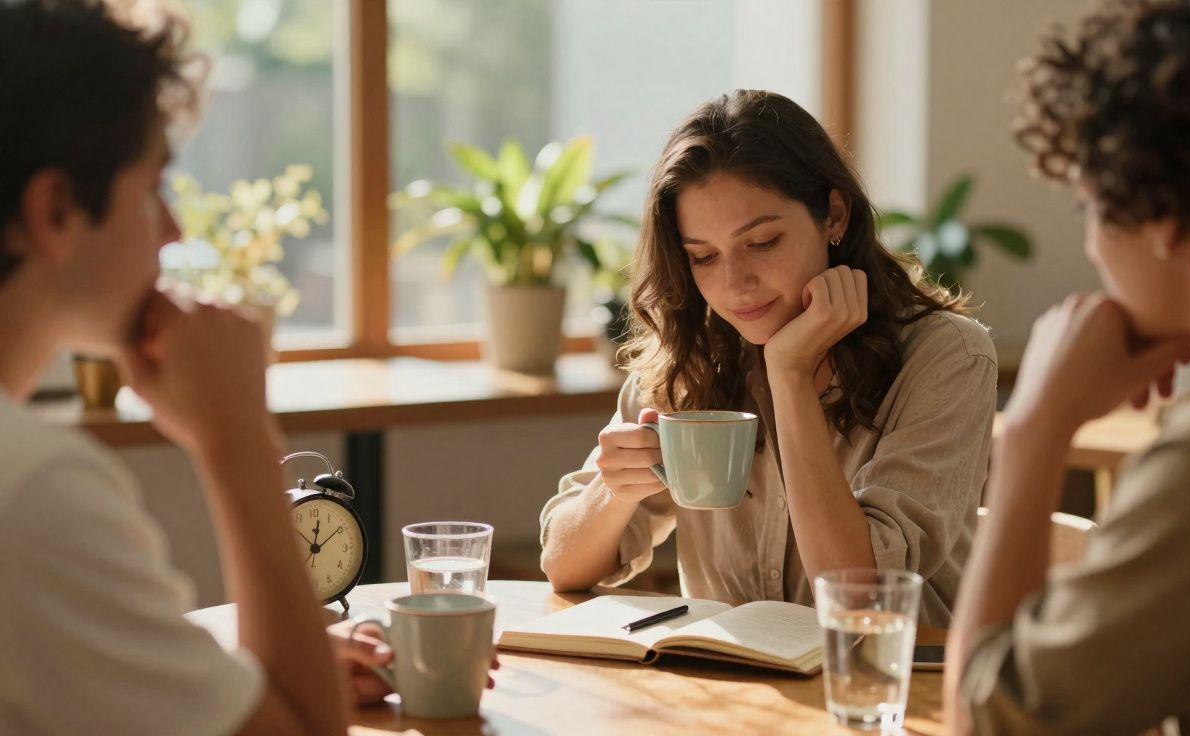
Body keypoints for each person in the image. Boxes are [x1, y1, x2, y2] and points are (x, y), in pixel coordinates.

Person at [0, 1, 462, 732]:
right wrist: (236, 433)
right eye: (154, 186)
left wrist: (228, 673)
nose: (176, 230)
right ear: (56, 208)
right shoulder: (33, 490)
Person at [946, 0, 1190, 732]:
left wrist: (1033, 433)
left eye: (1088, 206)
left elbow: (986, 722)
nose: (1089, 247)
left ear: (1165, 220)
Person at [539, 90, 997, 625]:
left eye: (762, 242)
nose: (735, 286)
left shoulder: (947, 357)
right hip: (738, 692)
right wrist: (613, 493)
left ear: (834, 215)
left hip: (890, 689)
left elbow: (859, 595)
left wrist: (790, 373)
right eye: (703, 257)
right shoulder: (691, 357)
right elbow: (563, 568)